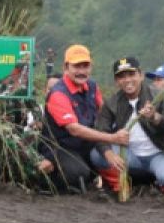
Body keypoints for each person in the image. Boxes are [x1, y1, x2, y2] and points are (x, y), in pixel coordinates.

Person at [90, 56, 164, 193]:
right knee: (97, 154)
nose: (128, 80)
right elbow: (101, 132)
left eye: (131, 74)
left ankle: (157, 181)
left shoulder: (158, 97)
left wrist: (155, 117)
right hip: (129, 156)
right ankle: (120, 182)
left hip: (159, 155)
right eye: (122, 76)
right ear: (117, 81)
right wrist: (109, 153)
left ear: (140, 75)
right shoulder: (111, 103)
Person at [41, 44, 130, 193]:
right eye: (77, 66)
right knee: (78, 173)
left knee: (115, 159)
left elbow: (104, 114)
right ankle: (46, 181)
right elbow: (74, 129)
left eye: (85, 66)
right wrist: (112, 138)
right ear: (66, 67)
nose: (82, 71)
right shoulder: (58, 94)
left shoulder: (93, 87)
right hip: (60, 146)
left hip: (86, 145)